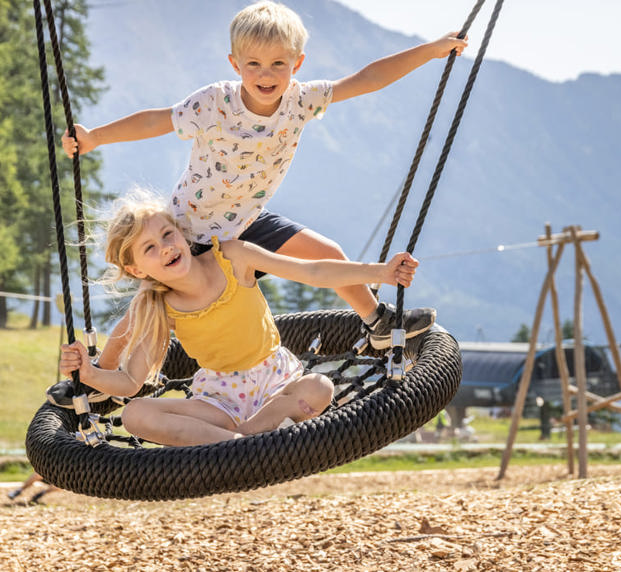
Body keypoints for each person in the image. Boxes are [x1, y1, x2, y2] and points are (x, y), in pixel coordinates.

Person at [61, 0, 466, 353]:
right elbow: (156, 121)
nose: (265, 74)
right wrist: (95, 137)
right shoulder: (214, 102)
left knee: (329, 253)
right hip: (193, 230)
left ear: (297, 64)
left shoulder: (301, 100)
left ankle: (378, 322)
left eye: (278, 64)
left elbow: (368, 79)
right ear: (235, 64)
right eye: (252, 64)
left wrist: (431, 51)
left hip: (248, 219)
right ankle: (103, 374)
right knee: (148, 307)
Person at [58, 190, 421, 446]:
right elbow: (130, 381)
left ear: (182, 234)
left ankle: (246, 439)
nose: (166, 247)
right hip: (219, 400)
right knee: (136, 414)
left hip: (277, 383)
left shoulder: (231, 258)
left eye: (167, 234)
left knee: (321, 388)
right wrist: (88, 375)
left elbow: (312, 272)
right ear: (136, 269)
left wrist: (379, 273)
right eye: (150, 248)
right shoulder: (157, 308)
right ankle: (237, 445)